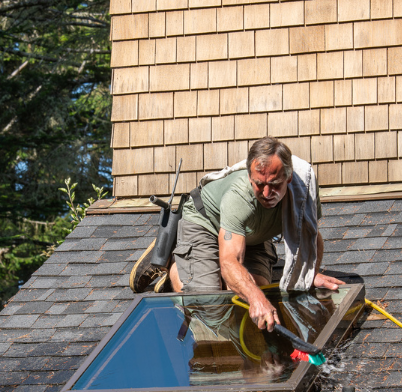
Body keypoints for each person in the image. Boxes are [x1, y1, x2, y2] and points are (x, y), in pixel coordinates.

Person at [129, 137, 344, 332]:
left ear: (288, 178)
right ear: (250, 176)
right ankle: (176, 263)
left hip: (253, 234)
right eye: (259, 185)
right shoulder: (239, 196)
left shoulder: (303, 191)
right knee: (211, 307)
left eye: (274, 185)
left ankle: (197, 267)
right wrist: (254, 297)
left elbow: (311, 236)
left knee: (256, 297)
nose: (267, 194)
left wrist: (310, 273)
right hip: (205, 224)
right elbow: (230, 261)